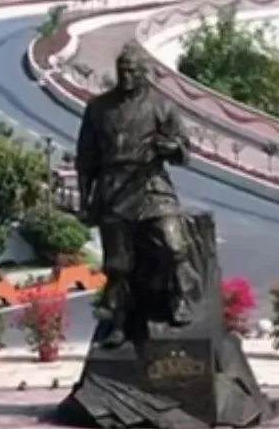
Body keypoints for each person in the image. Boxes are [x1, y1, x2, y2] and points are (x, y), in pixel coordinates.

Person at [75, 41, 194, 348]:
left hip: (151, 186)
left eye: (132, 71)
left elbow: (184, 153)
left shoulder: (162, 105)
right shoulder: (99, 108)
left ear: (144, 73)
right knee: (118, 264)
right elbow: (86, 159)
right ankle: (119, 321)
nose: (126, 76)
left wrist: (170, 148)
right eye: (122, 71)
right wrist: (85, 199)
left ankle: (178, 298)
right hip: (113, 188)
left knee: (173, 244)